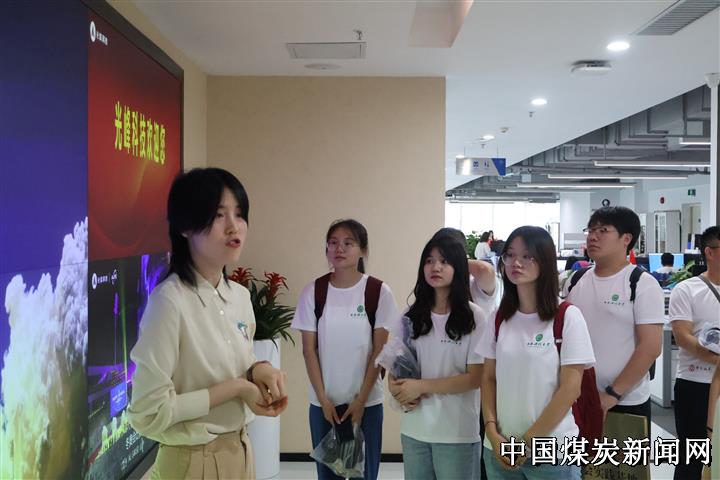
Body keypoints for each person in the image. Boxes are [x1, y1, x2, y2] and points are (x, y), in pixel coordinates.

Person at [128, 168, 288, 479]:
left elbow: (233, 362)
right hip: (192, 460)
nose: (234, 226)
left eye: (239, 214)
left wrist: (257, 371)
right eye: (218, 215)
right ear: (185, 227)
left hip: (240, 450)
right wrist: (237, 388)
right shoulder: (170, 301)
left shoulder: (239, 297)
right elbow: (148, 413)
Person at [478, 226, 594, 479]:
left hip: (552, 452)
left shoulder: (567, 317)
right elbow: (488, 378)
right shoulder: (499, 318)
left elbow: (570, 389)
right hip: (499, 448)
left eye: (527, 256)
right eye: (510, 255)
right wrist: (491, 432)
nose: (516, 262)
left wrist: (526, 442)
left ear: (545, 261)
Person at [292, 219, 398, 480]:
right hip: (324, 406)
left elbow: (379, 350)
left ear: (363, 250)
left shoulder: (377, 291)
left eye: (348, 243)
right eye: (333, 243)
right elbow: (308, 350)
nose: (339, 249)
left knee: (363, 474)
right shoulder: (314, 291)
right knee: (329, 475)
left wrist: (360, 402)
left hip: (366, 404)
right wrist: (323, 401)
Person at [389, 233, 486, 480]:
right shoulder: (410, 315)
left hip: (456, 435)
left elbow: (475, 378)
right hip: (414, 432)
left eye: (444, 261)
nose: (435, 267)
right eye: (429, 261)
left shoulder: (474, 317)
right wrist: (395, 387)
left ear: (458, 268)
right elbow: (396, 365)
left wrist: (421, 386)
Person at [563, 207, 663, 429]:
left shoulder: (641, 283)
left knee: (621, 453)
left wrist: (612, 394)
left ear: (626, 239)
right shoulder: (576, 279)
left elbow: (650, 347)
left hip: (624, 400)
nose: (592, 237)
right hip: (577, 396)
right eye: (590, 230)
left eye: (602, 231)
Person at [676, 226, 720, 480]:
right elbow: (683, 337)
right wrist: (716, 360)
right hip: (696, 383)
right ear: (710, 253)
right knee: (692, 457)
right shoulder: (688, 289)